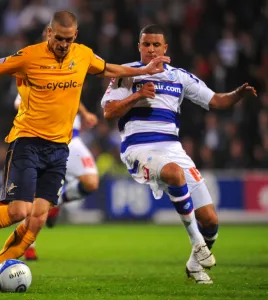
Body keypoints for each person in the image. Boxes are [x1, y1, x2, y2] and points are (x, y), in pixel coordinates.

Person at [0, 12, 170, 290]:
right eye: (58, 38)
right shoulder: (28, 56)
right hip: (27, 142)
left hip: (59, 149)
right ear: (49, 33)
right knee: (18, 212)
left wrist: (144, 71)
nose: (63, 44)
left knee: (37, 220)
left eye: (68, 38)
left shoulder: (83, 55)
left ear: (75, 36)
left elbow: (111, 69)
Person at [101, 24, 257, 284]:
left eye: (156, 44)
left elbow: (216, 100)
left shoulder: (179, 77)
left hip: (172, 148)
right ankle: (196, 242)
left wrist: (237, 94)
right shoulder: (126, 74)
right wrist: (137, 95)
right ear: (139, 46)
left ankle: (194, 266)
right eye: (146, 44)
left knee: (210, 220)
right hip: (139, 147)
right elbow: (109, 111)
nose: (151, 49)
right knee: (173, 173)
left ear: (165, 48)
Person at [14, 93, 100, 260]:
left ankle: (56, 201)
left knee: (91, 182)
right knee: (34, 195)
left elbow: (72, 95)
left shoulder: (69, 70)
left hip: (72, 138)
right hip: (46, 139)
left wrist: (84, 113)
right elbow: (18, 103)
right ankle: (28, 245)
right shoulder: (34, 73)